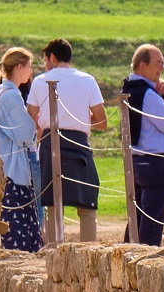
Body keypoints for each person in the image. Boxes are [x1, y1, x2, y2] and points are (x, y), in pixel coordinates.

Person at [27, 39, 107, 243]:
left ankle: (53, 252)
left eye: (45, 59)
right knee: (87, 206)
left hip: (48, 141)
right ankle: (89, 252)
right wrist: (79, 118)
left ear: (52, 58)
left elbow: (30, 116)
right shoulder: (87, 79)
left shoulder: (39, 81)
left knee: (53, 205)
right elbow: (102, 120)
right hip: (79, 142)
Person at [122, 44, 164, 245]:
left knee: (136, 218)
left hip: (137, 162)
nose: (162, 68)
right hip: (156, 162)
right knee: (152, 221)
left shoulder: (129, 89)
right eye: (158, 62)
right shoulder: (148, 94)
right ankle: (145, 263)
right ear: (142, 65)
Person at [0, 48, 42, 252]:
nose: (30, 71)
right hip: (13, 173)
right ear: (19, 67)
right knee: (20, 238)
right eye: (29, 66)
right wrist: (36, 122)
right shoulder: (10, 96)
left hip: (8, 170)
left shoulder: (1, 92)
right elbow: (26, 134)